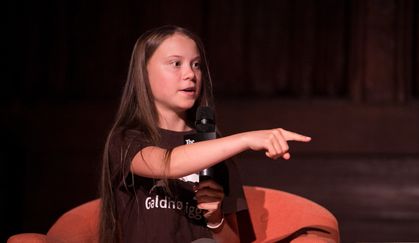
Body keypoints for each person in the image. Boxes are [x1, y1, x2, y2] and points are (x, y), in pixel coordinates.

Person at [99, 25, 311, 243]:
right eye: (176, 64)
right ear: (143, 72)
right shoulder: (127, 138)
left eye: (196, 65)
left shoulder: (215, 148)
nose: (191, 74)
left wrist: (215, 219)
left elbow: (233, 241)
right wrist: (247, 138)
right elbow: (167, 164)